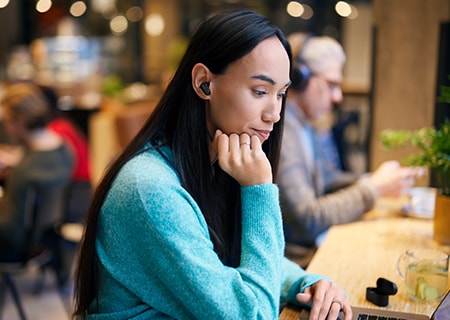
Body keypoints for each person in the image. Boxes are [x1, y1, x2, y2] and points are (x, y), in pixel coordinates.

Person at [73, 10, 352, 320]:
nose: (274, 113)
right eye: (260, 91)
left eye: (281, 94)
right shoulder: (150, 189)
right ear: (204, 83)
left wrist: (307, 282)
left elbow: (228, 258)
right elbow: (252, 316)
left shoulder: (214, 160)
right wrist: (259, 190)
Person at [278, 33, 419, 250]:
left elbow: (327, 181)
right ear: (299, 77)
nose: (338, 97)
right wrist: (373, 189)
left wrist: (375, 180)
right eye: (331, 84)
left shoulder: (305, 124)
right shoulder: (283, 130)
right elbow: (306, 219)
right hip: (296, 258)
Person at [0, 82, 74, 262]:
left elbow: (11, 230)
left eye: (7, 122)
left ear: (20, 122)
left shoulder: (24, 172)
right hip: (46, 236)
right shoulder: (64, 148)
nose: (7, 129)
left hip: (15, 247)